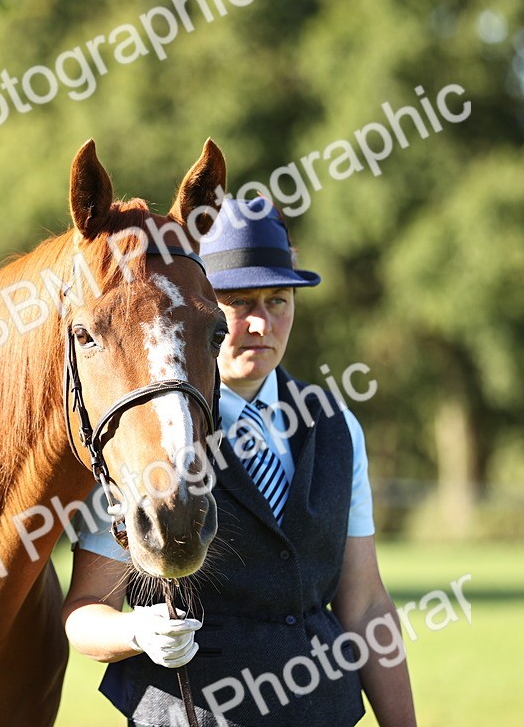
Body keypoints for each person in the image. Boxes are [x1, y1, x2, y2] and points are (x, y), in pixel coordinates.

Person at [62, 196, 417, 727]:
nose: (261, 324)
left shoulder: (338, 428)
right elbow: (83, 611)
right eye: (240, 301)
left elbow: (365, 605)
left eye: (278, 301)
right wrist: (136, 633)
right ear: (200, 302)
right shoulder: (133, 438)